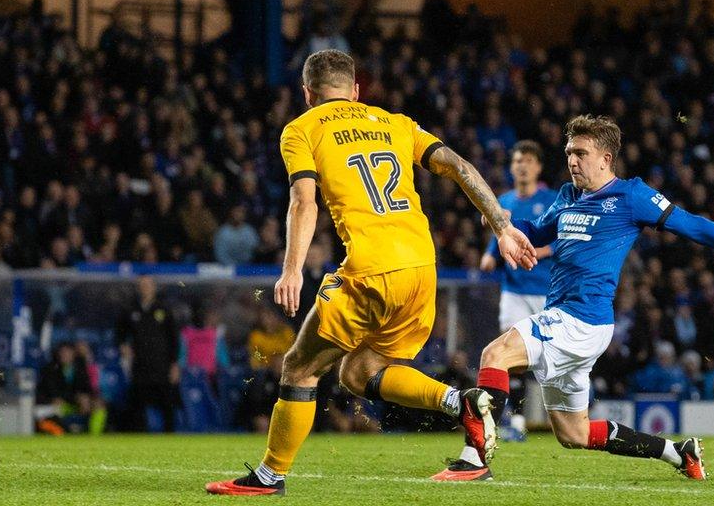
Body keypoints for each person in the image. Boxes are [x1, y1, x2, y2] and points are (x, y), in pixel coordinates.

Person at [205, 49, 535, 496]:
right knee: (358, 373)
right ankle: (462, 402)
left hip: (372, 269)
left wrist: (291, 270)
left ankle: (269, 476)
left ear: (307, 94)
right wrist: (502, 224)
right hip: (422, 269)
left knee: (300, 367)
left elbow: (304, 201)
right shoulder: (395, 122)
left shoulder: (302, 129)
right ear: (356, 91)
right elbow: (458, 166)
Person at [435, 115, 714, 482]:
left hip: (581, 319)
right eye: (568, 152)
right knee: (573, 435)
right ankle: (677, 452)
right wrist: (503, 222)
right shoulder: (567, 196)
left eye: (581, 153)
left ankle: (474, 459)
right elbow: (536, 231)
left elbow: (695, 226)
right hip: (567, 318)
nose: (572, 161)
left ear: (606, 158)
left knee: (494, 354)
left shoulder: (631, 196)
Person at [478, 140, 556, 439]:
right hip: (514, 291)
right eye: (517, 161)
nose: (521, 166)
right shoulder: (504, 202)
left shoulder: (550, 200)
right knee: (511, 357)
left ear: (537, 167)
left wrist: (544, 250)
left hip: (546, 291)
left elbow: (566, 234)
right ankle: (514, 422)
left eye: (527, 161)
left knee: (547, 359)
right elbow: (501, 235)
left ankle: (573, 410)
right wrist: (489, 254)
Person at [116, 276, 179, 432]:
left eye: (148, 285)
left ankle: (169, 437)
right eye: (142, 285)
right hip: (140, 365)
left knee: (167, 403)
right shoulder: (131, 310)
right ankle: (138, 436)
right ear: (138, 288)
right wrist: (122, 345)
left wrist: (174, 364)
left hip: (161, 364)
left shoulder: (164, 309)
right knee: (137, 404)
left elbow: (174, 338)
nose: (145, 288)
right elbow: (119, 333)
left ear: (154, 287)